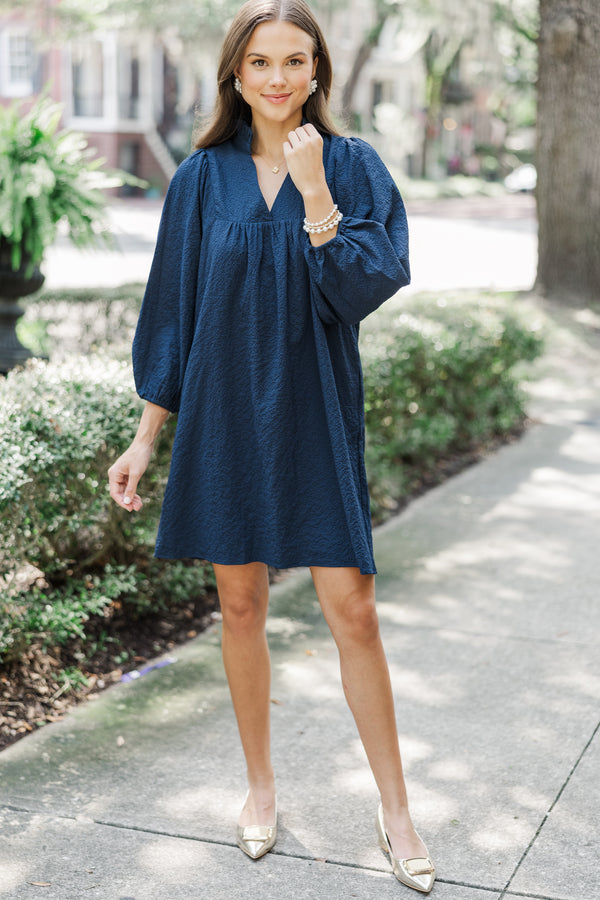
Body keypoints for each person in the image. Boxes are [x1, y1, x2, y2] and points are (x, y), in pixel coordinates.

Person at [107, 0, 435, 892]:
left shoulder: (355, 165)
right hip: (222, 419)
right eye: (262, 63)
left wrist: (318, 193)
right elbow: (172, 314)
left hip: (316, 412)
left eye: (296, 61)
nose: (280, 78)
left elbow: (367, 285)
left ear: (318, 70)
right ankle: (260, 787)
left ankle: (396, 807)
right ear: (237, 75)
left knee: (353, 611)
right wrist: (145, 440)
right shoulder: (199, 180)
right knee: (241, 606)